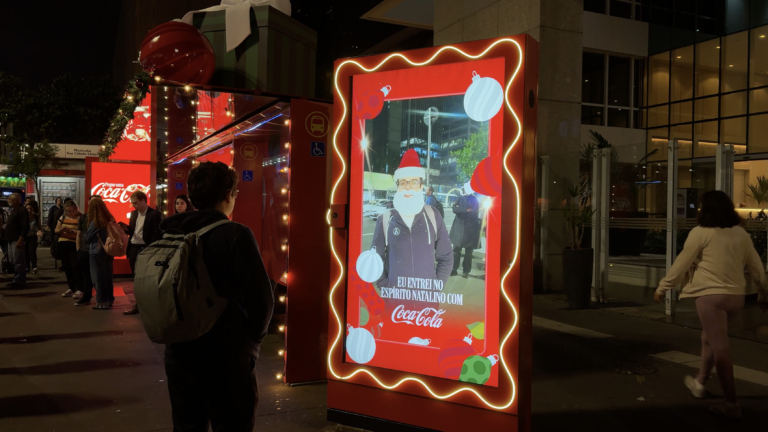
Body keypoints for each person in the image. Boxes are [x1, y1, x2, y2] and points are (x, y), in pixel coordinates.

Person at [159, 161, 273, 431]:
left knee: (187, 426)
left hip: (179, 351)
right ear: (228, 195)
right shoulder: (235, 234)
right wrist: (251, 345)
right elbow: (262, 300)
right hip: (227, 357)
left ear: (192, 196)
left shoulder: (170, 231)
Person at [655, 190, 768, 420]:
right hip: (736, 298)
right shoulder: (741, 234)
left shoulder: (700, 233)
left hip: (711, 298)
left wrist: (663, 287)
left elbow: (681, 263)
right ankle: (700, 383)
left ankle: (731, 403)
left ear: (706, 210)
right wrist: (762, 293)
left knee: (721, 348)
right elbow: (757, 267)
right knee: (709, 338)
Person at [370, 149, 453, 300]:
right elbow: (375, 259)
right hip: (394, 304)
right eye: (403, 182)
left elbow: (446, 257)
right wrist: (385, 285)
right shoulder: (386, 219)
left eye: (414, 182)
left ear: (421, 186)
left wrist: (435, 288)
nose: (408, 187)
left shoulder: (433, 216)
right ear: (398, 186)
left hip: (426, 304)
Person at [121, 190, 161, 315]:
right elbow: (133, 231)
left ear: (143, 201)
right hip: (134, 248)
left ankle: (147, 305)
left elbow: (157, 233)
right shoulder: (134, 214)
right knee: (135, 278)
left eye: (135, 203)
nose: (134, 206)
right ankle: (138, 305)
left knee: (147, 279)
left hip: (146, 248)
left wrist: (150, 248)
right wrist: (125, 228)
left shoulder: (154, 214)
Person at [86, 199, 116, 310]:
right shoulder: (109, 219)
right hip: (109, 251)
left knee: (98, 278)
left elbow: (88, 238)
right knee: (108, 277)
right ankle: (109, 299)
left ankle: (102, 302)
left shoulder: (96, 222)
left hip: (97, 251)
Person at [449, 187, 481, 278]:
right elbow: (454, 209)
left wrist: (460, 209)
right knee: (456, 250)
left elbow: (474, 211)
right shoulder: (459, 198)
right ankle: (454, 269)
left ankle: (466, 271)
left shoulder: (474, 199)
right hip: (458, 229)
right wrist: (466, 210)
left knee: (468, 252)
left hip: (470, 230)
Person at [56, 201, 84, 298]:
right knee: (67, 266)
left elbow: (82, 232)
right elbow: (56, 230)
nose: (69, 213)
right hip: (63, 243)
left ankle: (80, 288)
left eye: (71, 211)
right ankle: (71, 287)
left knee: (75, 266)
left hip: (74, 243)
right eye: (67, 211)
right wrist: (62, 229)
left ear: (76, 209)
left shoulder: (81, 218)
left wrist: (72, 231)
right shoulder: (63, 217)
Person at [74, 198, 96, 306]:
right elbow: (79, 234)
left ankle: (103, 298)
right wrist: (78, 249)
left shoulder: (103, 217)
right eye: (91, 202)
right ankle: (87, 296)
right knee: (86, 275)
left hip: (97, 250)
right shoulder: (83, 217)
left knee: (97, 275)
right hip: (84, 250)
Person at [5, 193, 29, 288]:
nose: (8, 200)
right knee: (13, 260)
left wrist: (21, 239)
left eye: (9, 199)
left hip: (17, 239)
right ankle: (16, 279)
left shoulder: (22, 210)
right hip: (11, 239)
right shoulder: (14, 210)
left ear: (15, 200)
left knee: (18, 260)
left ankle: (20, 280)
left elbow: (25, 226)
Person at [47, 197, 64, 269]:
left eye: (60, 200)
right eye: (58, 200)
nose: (59, 201)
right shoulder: (53, 208)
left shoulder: (63, 208)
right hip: (54, 226)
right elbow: (50, 217)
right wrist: (48, 225)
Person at [24, 204, 39, 274]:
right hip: (25, 236)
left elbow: (38, 226)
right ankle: (27, 266)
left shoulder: (35, 216)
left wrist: (39, 231)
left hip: (33, 235)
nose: (29, 210)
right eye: (27, 208)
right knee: (25, 251)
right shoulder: (23, 216)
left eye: (30, 208)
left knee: (32, 251)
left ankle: (34, 266)